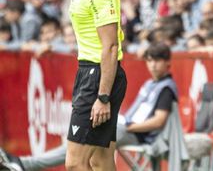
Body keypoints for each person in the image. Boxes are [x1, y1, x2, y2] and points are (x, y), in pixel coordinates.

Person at [0, 42, 184, 171]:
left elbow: (158, 122)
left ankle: (27, 164)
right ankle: (26, 163)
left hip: (141, 135)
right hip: (128, 127)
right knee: (96, 158)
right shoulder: (151, 83)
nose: (152, 65)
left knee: (79, 149)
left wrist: (128, 126)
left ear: (168, 62)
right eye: (149, 60)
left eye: (157, 60)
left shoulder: (166, 88)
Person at [60, 0, 127, 170]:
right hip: (93, 72)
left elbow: (110, 46)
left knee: (75, 164)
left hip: (97, 75)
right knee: (100, 161)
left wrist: (102, 96)